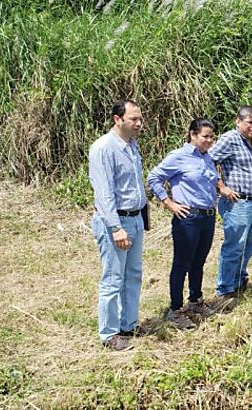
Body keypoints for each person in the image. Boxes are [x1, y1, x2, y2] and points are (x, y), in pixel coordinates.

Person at [147, 119, 218, 329]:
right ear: (192, 135)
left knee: (199, 262)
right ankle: (175, 310)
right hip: (188, 219)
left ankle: (195, 300)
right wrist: (169, 203)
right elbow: (154, 178)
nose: (209, 140)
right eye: (205, 136)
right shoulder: (179, 157)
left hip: (208, 216)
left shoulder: (208, 158)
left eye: (211, 137)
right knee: (182, 264)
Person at [88, 99, 147, 351]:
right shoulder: (103, 148)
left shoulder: (131, 146)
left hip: (134, 218)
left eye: (140, 119)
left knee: (133, 275)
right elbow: (104, 194)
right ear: (117, 119)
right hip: (117, 222)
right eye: (134, 119)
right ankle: (109, 334)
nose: (139, 123)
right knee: (113, 278)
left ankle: (128, 324)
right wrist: (115, 227)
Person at [208, 106, 252, 297]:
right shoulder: (230, 139)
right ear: (238, 121)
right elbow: (207, 161)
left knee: (249, 244)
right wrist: (222, 187)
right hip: (237, 203)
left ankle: (238, 279)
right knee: (234, 246)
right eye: (249, 122)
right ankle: (224, 288)